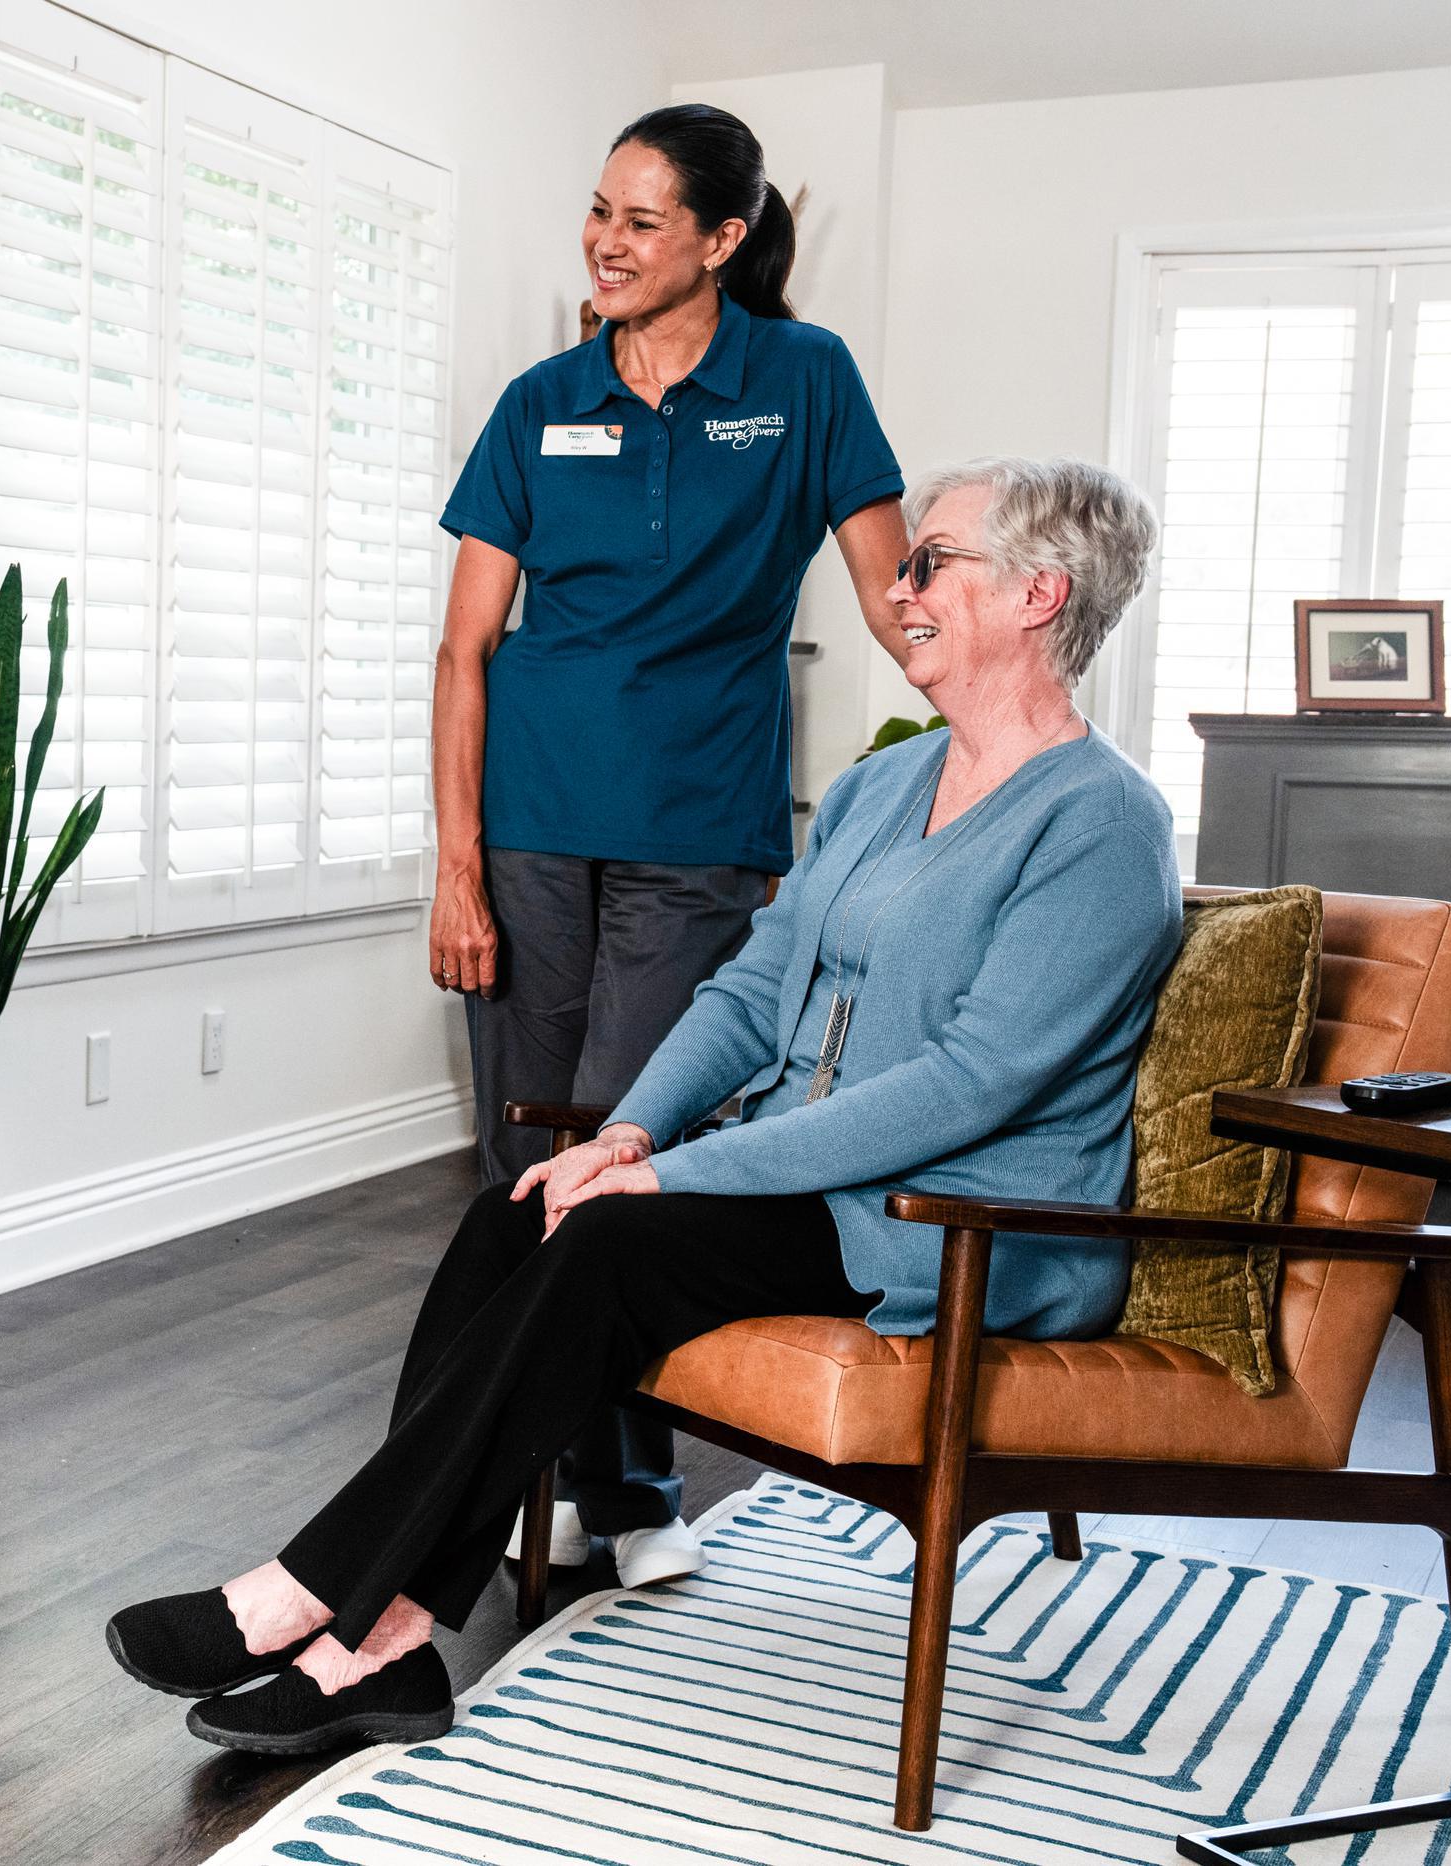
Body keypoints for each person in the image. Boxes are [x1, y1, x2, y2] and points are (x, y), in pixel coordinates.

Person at [108, 456, 1181, 1756]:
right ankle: (377, 1645)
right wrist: (631, 1132)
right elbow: (753, 982)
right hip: (818, 1188)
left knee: (611, 1238)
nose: (896, 589)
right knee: (524, 1208)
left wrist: (673, 1180)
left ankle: (303, 1598)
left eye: (931, 561)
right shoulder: (885, 785)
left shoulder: (1104, 826)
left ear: (1039, 593)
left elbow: (970, 1083)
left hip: (952, 1227)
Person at [430, 104, 914, 1587]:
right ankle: (532, 1477)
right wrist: (456, 864)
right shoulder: (541, 399)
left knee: (636, 1150)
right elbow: (466, 651)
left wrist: (1017, 698)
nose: (606, 241)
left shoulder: (804, 379)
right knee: (529, 1151)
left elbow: (902, 600)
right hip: (529, 830)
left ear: (721, 240)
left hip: (698, 836)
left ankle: (629, 1487)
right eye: (598, 210)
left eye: (644, 221)